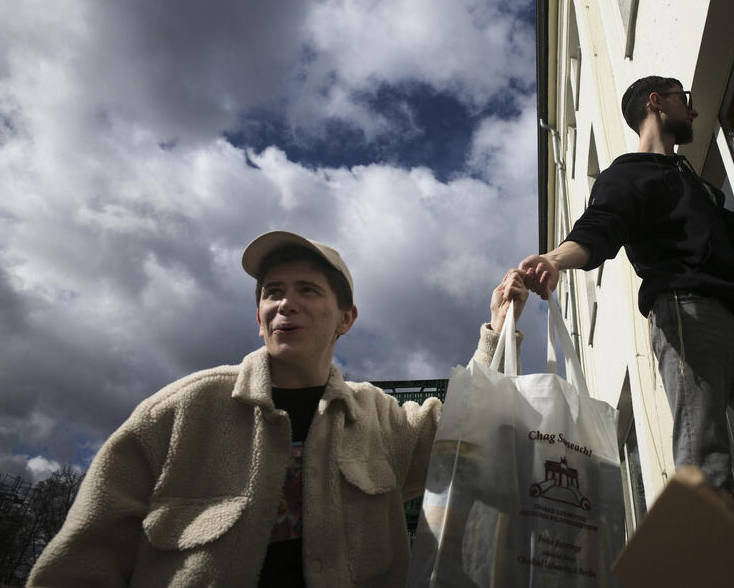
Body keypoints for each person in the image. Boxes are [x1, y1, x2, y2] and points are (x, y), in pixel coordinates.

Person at [28, 230, 527, 587]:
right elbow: (84, 558)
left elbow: (467, 425)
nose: (285, 304)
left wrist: (497, 328)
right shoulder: (182, 411)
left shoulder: (380, 419)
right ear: (259, 317)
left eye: (307, 290)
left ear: (346, 319)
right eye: (273, 292)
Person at [519, 76, 734, 580]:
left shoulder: (702, 188)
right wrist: (555, 259)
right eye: (683, 101)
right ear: (656, 103)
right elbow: (599, 228)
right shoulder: (628, 175)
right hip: (690, 317)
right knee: (707, 473)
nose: (692, 113)